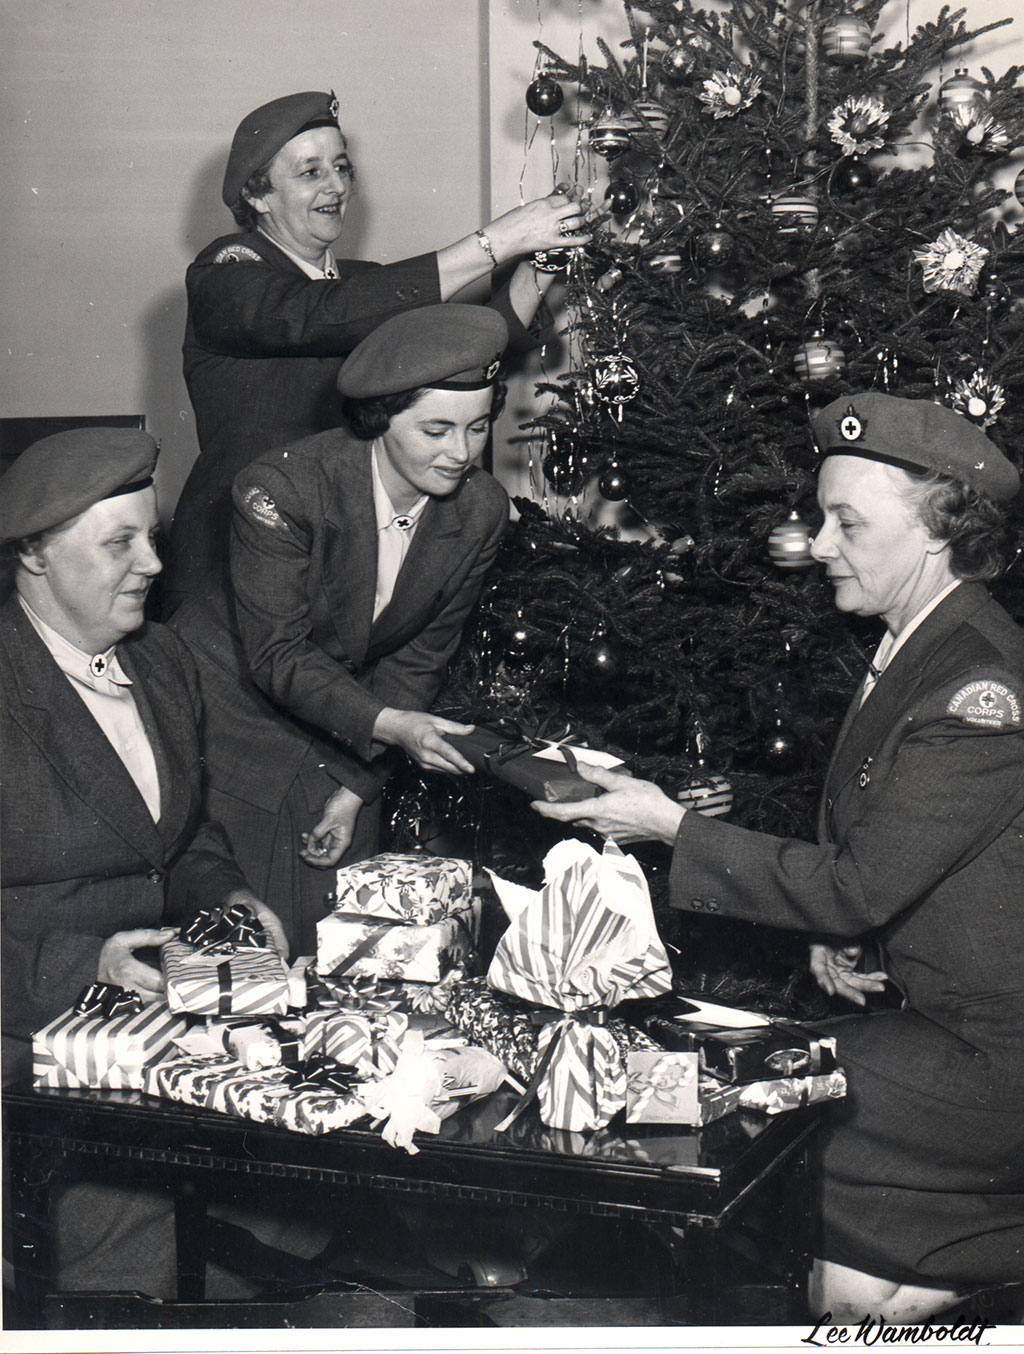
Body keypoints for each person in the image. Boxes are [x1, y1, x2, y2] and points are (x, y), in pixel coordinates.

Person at [533, 392, 1024, 1324]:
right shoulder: (921, 645)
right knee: (809, 1208)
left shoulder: (978, 689)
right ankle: (884, 1294)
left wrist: (675, 827)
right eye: (822, 517)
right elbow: (937, 866)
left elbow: (857, 882)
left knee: (757, 1110)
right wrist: (862, 940)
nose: (820, 544)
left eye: (848, 523)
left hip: (996, 1061)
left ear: (933, 532)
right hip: (957, 1025)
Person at [0, 426, 292, 1295]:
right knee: (132, 1235)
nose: (154, 565)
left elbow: (181, 835)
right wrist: (80, 965)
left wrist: (231, 896)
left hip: (151, 1004)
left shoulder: (161, 662)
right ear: (34, 557)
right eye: (119, 541)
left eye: (153, 537)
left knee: (299, 1148)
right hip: (23, 1020)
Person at [170, 303, 510, 955]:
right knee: (259, 949)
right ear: (381, 418)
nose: (460, 454)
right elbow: (278, 656)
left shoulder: (481, 510)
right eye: (437, 429)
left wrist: (359, 786)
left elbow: (420, 658)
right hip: (232, 722)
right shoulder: (282, 488)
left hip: (352, 725)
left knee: (353, 950)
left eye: (476, 428)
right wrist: (395, 728)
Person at [164, 88, 588, 610]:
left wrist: (541, 262)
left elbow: (470, 341)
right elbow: (317, 316)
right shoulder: (225, 275)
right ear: (257, 195)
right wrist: (496, 241)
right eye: (311, 172)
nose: (337, 186)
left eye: (342, 168)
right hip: (235, 561)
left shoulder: (361, 289)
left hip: (337, 554)